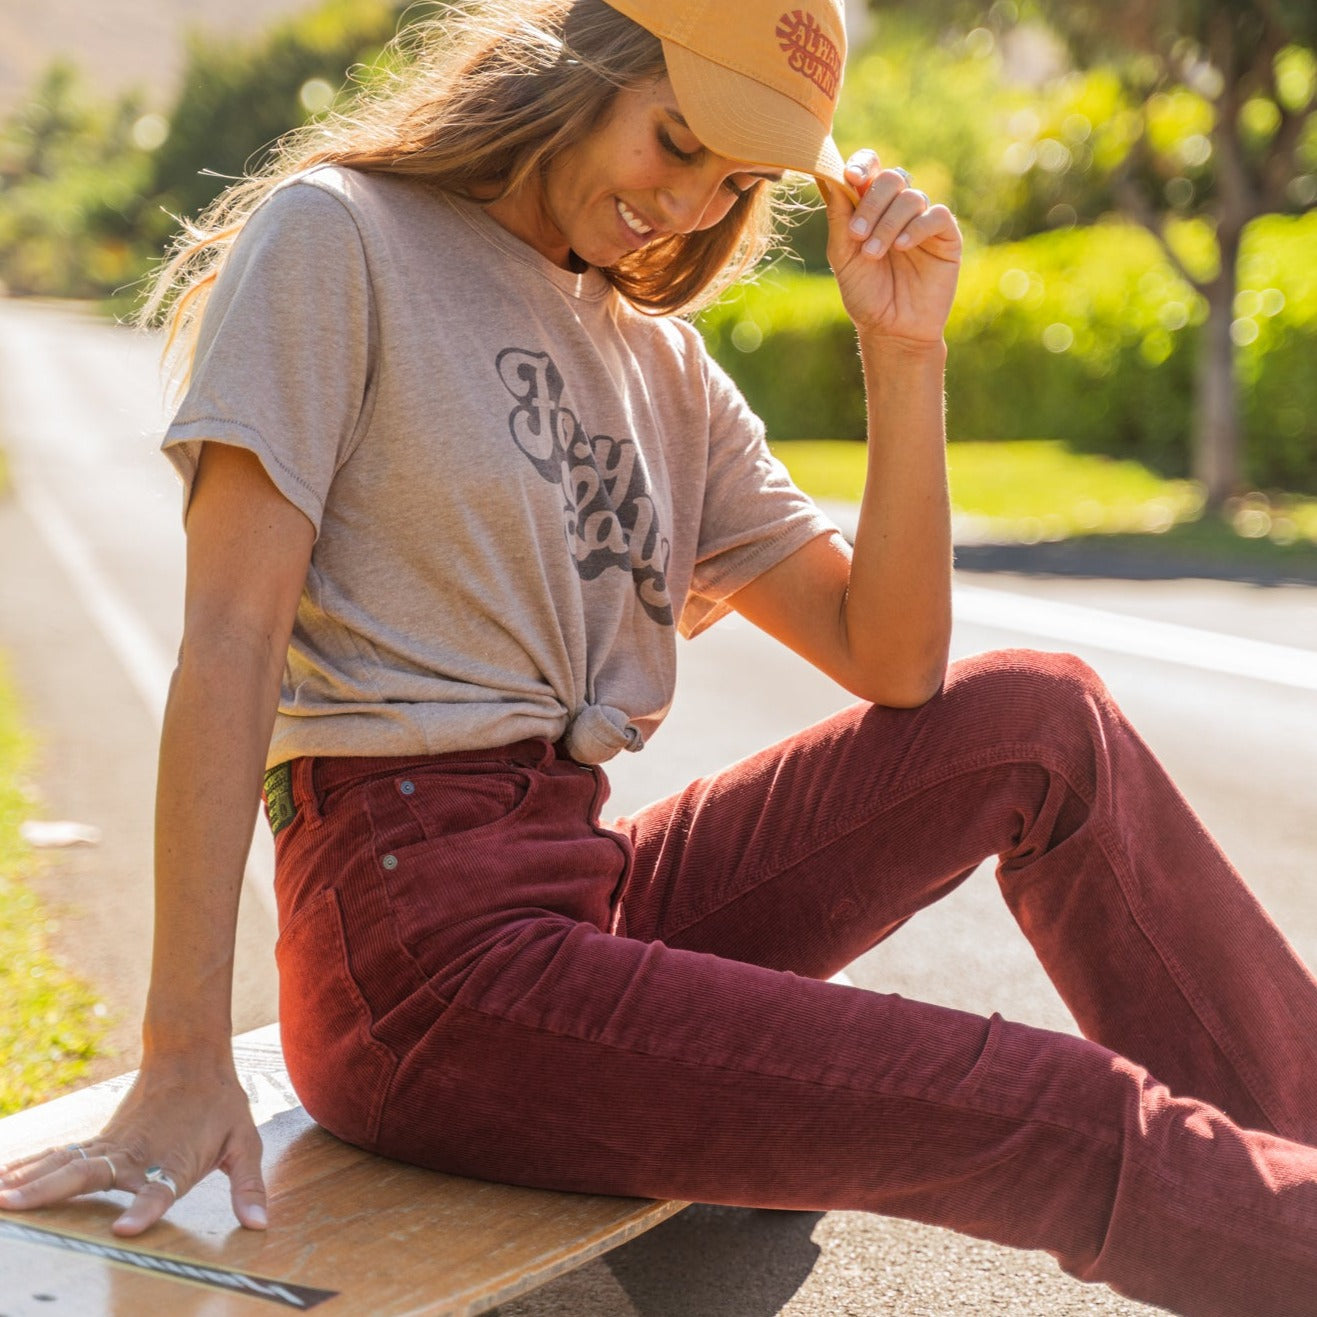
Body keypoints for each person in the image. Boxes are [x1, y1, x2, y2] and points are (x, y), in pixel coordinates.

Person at [3, 0, 1316, 1311]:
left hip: (586, 892)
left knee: (1044, 717)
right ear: (575, 66)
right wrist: (180, 1052)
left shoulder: (662, 368)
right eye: (675, 140)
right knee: (1047, 1115)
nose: (688, 207)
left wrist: (902, 350)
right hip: (418, 959)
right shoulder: (340, 236)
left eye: (733, 182)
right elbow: (228, 639)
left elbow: (896, 663)